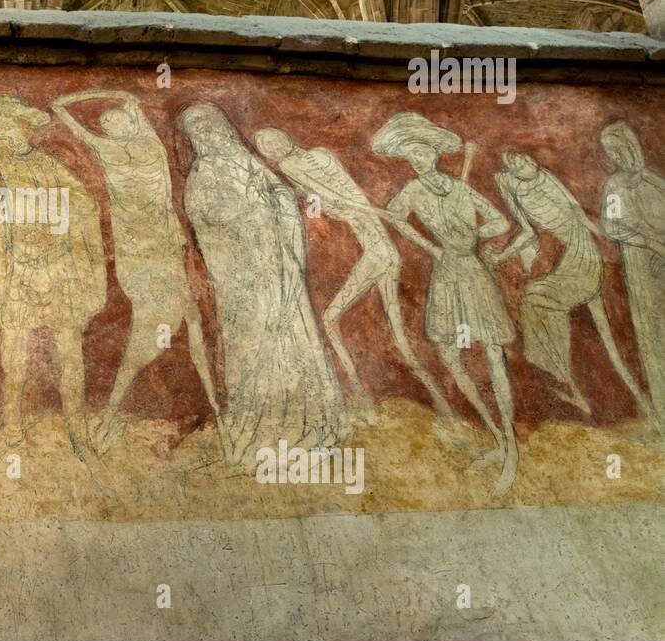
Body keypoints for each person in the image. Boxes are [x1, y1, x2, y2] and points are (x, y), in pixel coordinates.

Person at [177, 104, 344, 469]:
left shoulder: (249, 165)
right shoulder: (201, 177)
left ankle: (312, 432)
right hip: (244, 285)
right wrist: (249, 212)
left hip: (279, 273)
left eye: (214, 127)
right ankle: (262, 436)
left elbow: (282, 198)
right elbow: (208, 228)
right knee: (252, 354)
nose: (211, 135)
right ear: (194, 141)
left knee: (296, 345)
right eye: (200, 131)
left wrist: (273, 200)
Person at [50, 90, 215, 452]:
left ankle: (212, 405)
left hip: (166, 247)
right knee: (158, 324)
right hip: (137, 254)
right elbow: (62, 111)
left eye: (117, 119)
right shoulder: (105, 149)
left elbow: (133, 105)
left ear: (129, 121)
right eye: (106, 124)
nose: (112, 125)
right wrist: (91, 97)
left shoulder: (149, 145)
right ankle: (113, 411)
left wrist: (123, 98)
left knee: (190, 319)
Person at [254, 127, 453, 421]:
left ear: (285, 137)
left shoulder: (305, 160)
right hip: (382, 251)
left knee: (332, 320)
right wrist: (305, 196)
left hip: (378, 253)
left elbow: (341, 197)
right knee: (399, 337)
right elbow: (325, 197)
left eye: (273, 139)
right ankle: (441, 405)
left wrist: (340, 204)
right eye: (266, 147)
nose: (273, 146)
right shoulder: (304, 161)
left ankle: (364, 401)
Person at [0, 95, 106, 458]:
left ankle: (77, 428)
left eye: (14, 125)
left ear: (25, 128)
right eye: (1, 126)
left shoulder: (47, 165)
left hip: (56, 270)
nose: (8, 132)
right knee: (15, 353)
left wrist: (57, 235)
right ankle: (11, 426)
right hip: (15, 272)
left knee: (70, 349)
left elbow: (84, 204)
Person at [373, 112, 518, 493]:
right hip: (447, 275)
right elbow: (397, 220)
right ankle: (496, 438)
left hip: (472, 272)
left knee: (492, 355)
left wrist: (473, 235)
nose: (418, 160)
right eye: (411, 156)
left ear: (435, 153)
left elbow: (500, 221)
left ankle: (512, 447)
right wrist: (432, 247)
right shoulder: (412, 192)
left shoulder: (459, 187)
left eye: (422, 152)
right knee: (452, 357)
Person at [489, 151, 652, 418]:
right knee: (535, 298)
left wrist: (606, 237)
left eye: (525, 158)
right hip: (570, 259)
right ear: (513, 171)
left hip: (583, 254)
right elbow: (527, 232)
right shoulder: (516, 189)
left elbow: (577, 211)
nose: (526, 162)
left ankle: (562, 373)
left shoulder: (545, 178)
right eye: (516, 162)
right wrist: (500, 256)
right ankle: (565, 377)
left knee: (536, 297)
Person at [598, 122, 665, 432]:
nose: (617, 156)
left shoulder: (654, 182)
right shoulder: (615, 187)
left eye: (620, 149)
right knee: (653, 338)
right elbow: (611, 227)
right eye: (611, 152)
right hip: (640, 268)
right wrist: (647, 240)